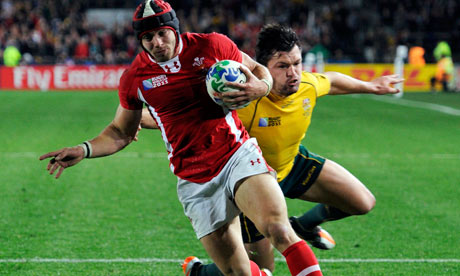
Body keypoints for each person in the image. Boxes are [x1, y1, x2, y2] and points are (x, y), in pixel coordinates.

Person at [39, 2, 322, 276]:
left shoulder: (212, 45)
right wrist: (84, 149)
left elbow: (259, 69)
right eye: (147, 37)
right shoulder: (135, 78)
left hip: (237, 155)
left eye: (162, 33)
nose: (157, 42)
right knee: (237, 271)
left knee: (279, 229)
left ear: (175, 29)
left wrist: (261, 86)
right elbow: (121, 133)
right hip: (194, 181)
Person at [141, 23, 404, 275]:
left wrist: (371, 86)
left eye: (297, 63)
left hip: (290, 166)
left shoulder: (306, 86)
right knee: (260, 270)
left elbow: (332, 81)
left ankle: (303, 226)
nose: (294, 73)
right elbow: (182, 116)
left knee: (362, 202)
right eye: (283, 66)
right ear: (263, 69)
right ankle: (199, 271)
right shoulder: (242, 99)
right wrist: (135, 122)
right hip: (251, 182)